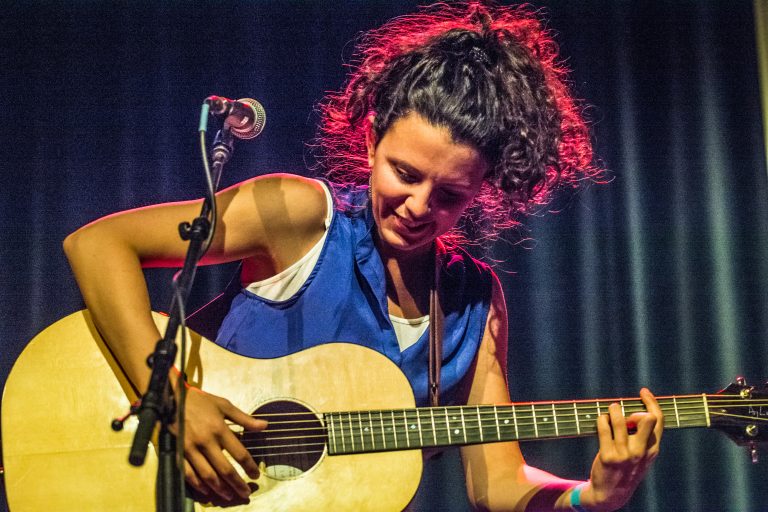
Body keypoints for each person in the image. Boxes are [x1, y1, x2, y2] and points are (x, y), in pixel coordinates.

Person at [64, 2, 663, 510]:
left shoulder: (473, 303)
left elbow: (497, 484)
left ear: (485, 188)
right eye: (404, 173)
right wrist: (171, 396)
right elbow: (97, 244)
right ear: (372, 139)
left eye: (451, 194)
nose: (418, 206)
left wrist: (590, 496)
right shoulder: (300, 217)